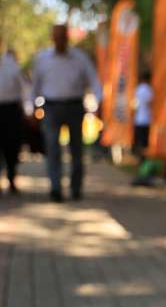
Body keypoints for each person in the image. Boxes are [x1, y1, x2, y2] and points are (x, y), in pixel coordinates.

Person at [32, 24, 102, 202]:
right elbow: (35, 85)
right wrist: (32, 107)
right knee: (52, 149)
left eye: (63, 37)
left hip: (75, 106)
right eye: (57, 37)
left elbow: (94, 80)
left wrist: (99, 102)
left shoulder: (80, 58)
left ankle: (76, 188)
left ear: (67, 38)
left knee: (76, 149)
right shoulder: (42, 58)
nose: (60, 40)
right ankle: (55, 188)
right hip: (51, 107)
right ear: (52, 38)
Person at [0, 43, 25, 194]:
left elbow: (24, 88)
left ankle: (11, 177)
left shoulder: (11, 65)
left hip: (11, 110)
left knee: (12, 146)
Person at [133, 71, 152, 160]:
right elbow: (150, 103)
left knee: (139, 142)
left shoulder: (138, 89)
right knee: (145, 143)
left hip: (138, 119)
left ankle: (140, 158)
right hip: (147, 119)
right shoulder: (149, 89)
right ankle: (144, 159)